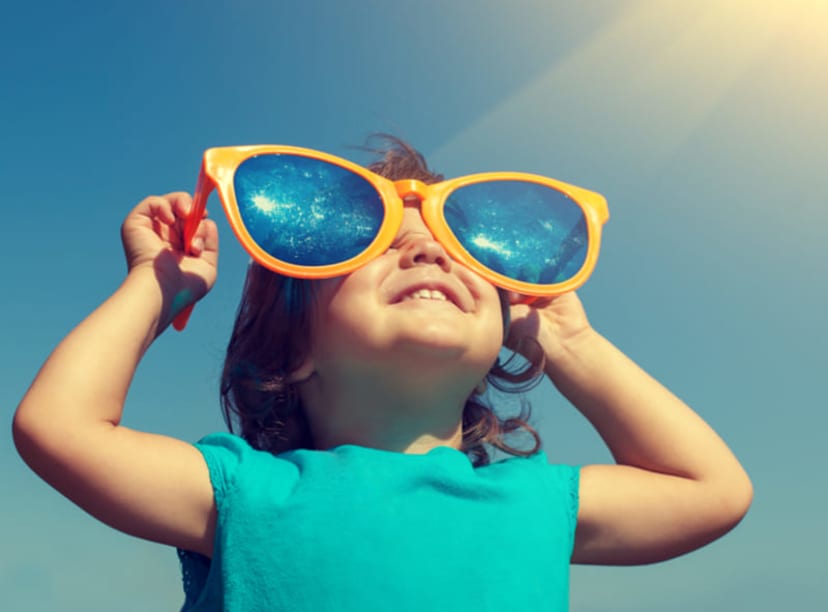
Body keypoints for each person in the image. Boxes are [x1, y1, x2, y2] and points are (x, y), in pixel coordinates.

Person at [13, 137, 752, 611]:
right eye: (380, 247)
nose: (428, 254)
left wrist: (573, 343)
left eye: (461, 255)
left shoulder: (534, 500)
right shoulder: (248, 492)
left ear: (502, 337)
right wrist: (157, 281)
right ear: (289, 343)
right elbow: (60, 429)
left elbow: (712, 491)